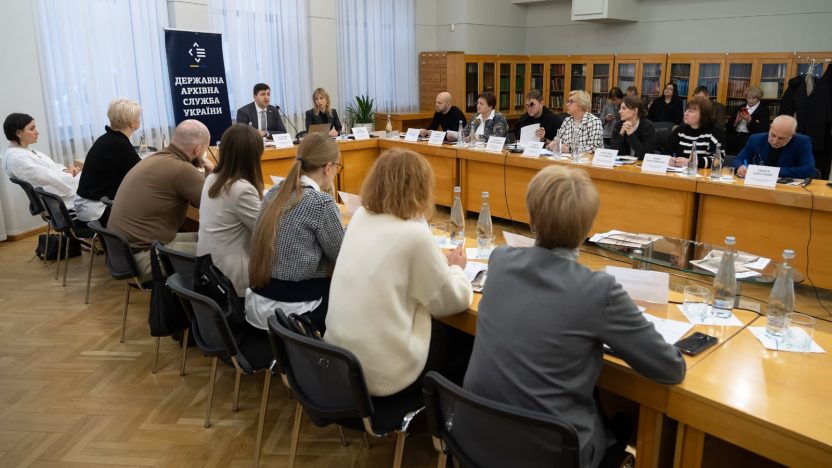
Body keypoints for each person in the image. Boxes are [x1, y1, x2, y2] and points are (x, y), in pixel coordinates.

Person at [463, 164, 686, 468]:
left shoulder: (500, 259)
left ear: (531, 219)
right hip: (550, 455)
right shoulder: (598, 290)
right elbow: (670, 368)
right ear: (588, 228)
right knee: (618, 421)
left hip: (475, 439)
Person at [326, 148, 474, 398]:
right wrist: (457, 269)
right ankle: (446, 418)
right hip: (383, 375)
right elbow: (451, 300)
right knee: (466, 341)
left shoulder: (360, 217)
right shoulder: (413, 235)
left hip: (340, 363)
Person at [246, 132, 344, 334]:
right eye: (337, 167)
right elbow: (342, 257)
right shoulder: (320, 203)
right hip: (294, 313)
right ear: (328, 167)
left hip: (258, 306)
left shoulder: (275, 192)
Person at [107, 119, 213, 282]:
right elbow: (215, 205)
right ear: (198, 149)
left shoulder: (156, 158)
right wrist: (211, 170)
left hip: (124, 254)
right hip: (145, 257)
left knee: (206, 238)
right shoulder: (182, 169)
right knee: (221, 250)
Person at [196, 124, 264, 298]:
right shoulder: (241, 189)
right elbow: (266, 232)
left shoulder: (212, 178)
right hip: (232, 281)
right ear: (253, 156)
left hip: (209, 270)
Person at [74, 99, 142, 223]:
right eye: (138, 117)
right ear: (133, 123)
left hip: (86, 204)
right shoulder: (120, 144)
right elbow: (143, 173)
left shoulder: (107, 138)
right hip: (96, 210)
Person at [2, 113, 79, 208]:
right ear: (18, 133)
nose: (37, 132)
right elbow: (49, 179)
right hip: (62, 202)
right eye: (32, 129)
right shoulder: (16, 158)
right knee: (92, 177)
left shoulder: (23, 151)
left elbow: (50, 168)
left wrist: (65, 171)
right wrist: (70, 174)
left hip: (60, 193)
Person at [730, 115, 816, 179]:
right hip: (757, 184)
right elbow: (738, 160)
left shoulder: (802, 142)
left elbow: (809, 170)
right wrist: (739, 167)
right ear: (770, 128)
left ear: (792, 135)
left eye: (781, 138)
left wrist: (772, 172)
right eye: (773, 135)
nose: (775, 141)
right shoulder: (756, 139)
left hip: (785, 189)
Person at [668, 97, 725, 169]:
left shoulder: (715, 132)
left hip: (704, 174)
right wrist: (669, 159)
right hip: (678, 173)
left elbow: (719, 160)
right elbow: (666, 152)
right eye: (686, 110)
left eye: (691, 111)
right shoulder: (679, 131)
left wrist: (691, 162)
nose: (685, 113)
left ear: (703, 115)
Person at [547, 90, 603, 154]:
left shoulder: (594, 121)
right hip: (565, 158)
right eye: (568, 101)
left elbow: (595, 148)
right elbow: (556, 141)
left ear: (581, 105)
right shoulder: (567, 121)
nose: (567, 105)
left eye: (571, 102)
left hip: (587, 160)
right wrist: (551, 146)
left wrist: (569, 149)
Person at [610, 96, 657, 160]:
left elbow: (646, 155)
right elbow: (612, 152)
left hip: (640, 164)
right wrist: (621, 134)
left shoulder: (648, 126)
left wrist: (631, 134)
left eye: (624, 108)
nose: (620, 111)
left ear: (635, 110)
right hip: (622, 164)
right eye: (620, 108)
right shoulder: (618, 125)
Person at [726, 86, 770, 154]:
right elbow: (728, 127)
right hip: (734, 137)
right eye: (749, 98)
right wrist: (736, 121)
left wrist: (749, 120)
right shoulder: (739, 108)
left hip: (749, 138)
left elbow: (763, 131)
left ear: (758, 98)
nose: (750, 100)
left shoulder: (764, 110)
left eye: (753, 98)